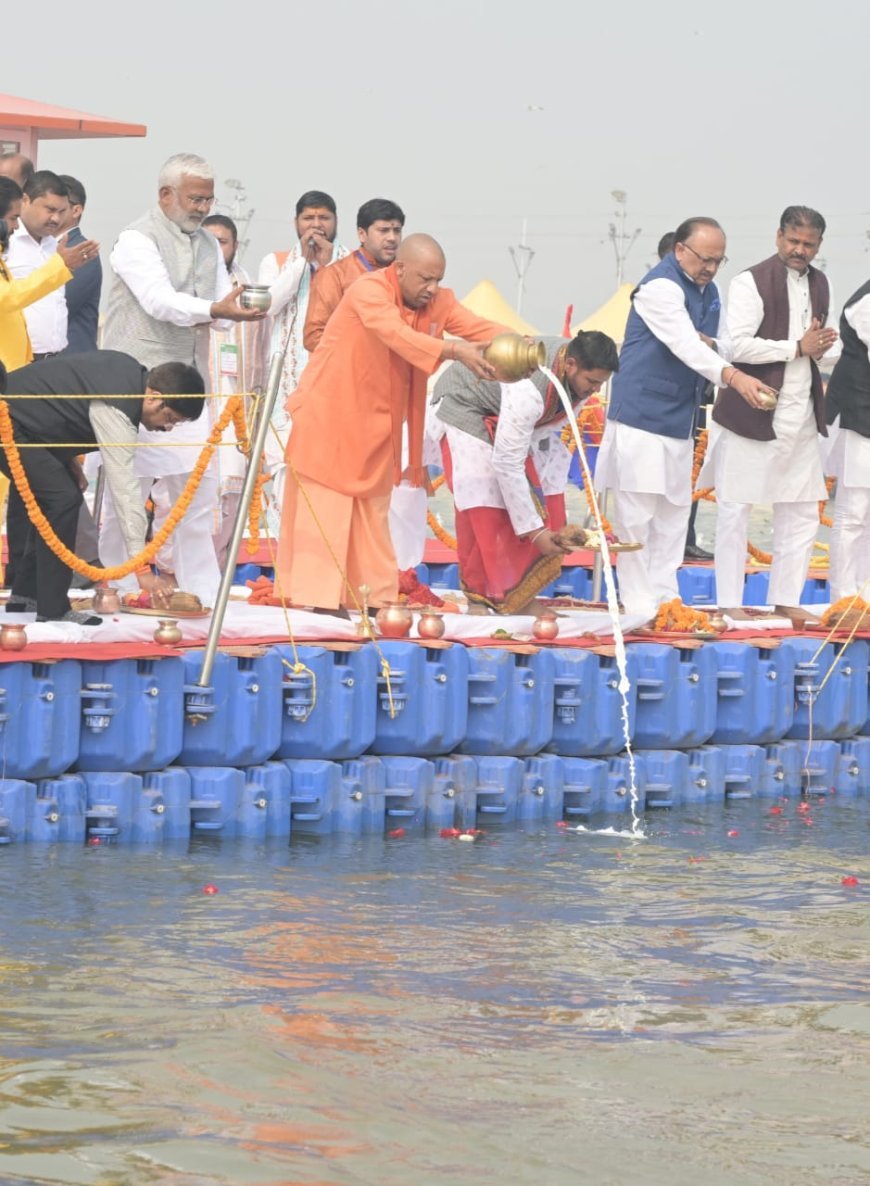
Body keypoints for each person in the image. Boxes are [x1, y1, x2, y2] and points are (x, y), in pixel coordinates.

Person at [275, 233, 509, 613]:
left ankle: (370, 594)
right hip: (332, 414)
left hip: (379, 423)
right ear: (399, 269)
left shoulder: (439, 301)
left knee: (372, 513)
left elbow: (481, 328)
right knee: (328, 510)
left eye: (438, 279)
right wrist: (452, 350)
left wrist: (531, 346)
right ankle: (321, 599)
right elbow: (395, 334)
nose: (433, 289)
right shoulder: (368, 292)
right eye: (425, 279)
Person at [100, 153, 263, 604]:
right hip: (135, 388)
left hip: (188, 389)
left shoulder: (209, 245)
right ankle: (119, 584)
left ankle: (202, 589)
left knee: (198, 494)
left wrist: (236, 311)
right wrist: (216, 310)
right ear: (165, 195)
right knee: (124, 497)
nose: (202, 207)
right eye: (195, 198)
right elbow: (158, 301)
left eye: (208, 199)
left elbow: (218, 314)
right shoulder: (136, 239)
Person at [595, 216, 769, 618]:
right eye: (704, 258)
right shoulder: (660, 288)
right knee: (637, 516)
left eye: (718, 260)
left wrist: (719, 347)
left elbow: (721, 342)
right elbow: (684, 345)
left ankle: (666, 597)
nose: (709, 267)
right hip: (641, 417)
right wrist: (733, 377)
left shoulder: (710, 293)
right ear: (679, 250)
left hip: (681, 419)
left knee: (674, 514)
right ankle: (639, 603)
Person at [0, 351, 204, 625]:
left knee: (51, 495)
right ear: (154, 397)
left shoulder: (126, 373)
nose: (166, 428)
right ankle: (53, 608)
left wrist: (69, 463)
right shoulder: (118, 405)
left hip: (22, 423)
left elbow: (56, 407)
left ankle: (27, 595)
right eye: (169, 418)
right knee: (63, 499)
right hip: (8, 421)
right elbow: (124, 489)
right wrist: (141, 569)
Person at [703, 207, 839, 613]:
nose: (799, 250)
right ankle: (729, 601)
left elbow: (811, 348)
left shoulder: (821, 283)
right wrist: (797, 347)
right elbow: (735, 345)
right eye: (793, 241)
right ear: (778, 236)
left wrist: (821, 349)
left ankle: (785, 600)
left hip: (801, 413)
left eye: (808, 245)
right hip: (752, 411)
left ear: (818, 245)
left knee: (800, 511)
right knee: (734, 508)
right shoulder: (749, 282)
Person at [432, 331, 619, 613]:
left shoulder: (574, 383)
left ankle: (520, 598)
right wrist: (534, 531)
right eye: (591, 382)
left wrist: (549, 524)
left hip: (513, 420)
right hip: (465, 405)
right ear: (570, 365)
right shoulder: (529, 390)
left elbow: (540, 438)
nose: (594, 391)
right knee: (486, 504)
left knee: (544, 485)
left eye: (601, 385)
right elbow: (507, 464)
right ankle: (479, 598)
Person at [257, 190, 350, 524]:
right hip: (285, 387)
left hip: (334, 387)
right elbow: (269, 306)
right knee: (282, 467)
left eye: (324, 218)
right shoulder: (276, 262)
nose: (316, 226)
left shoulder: (350, 264)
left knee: (329, 472)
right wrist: (301, 264)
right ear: (296, 223)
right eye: (308, 219)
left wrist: (327, 267)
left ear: (336, 222)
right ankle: (288, 562)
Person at [202, 213, 268, 568]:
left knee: (231, 488)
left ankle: (218, 567)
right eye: (207, 241)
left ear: (235, 246)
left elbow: (261, 354)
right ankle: (183, 573)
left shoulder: (251, 290)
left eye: (222, 242)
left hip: (236, 406)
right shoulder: (187, 286)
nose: (215, 248)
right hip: (198, 406)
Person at [0, 177, 93, 370]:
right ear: (26, 200)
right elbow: (9, 297)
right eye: (50, 210)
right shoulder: (9, 242)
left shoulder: (57, 245)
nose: (56, 219)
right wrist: (61, 268)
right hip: (12, 364)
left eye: (62, 212)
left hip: (52, 359)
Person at [303, 198, 405, 351]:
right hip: (352, 370)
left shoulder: (405, 274)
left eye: (397, 230)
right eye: (383, 230)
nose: (392, 238)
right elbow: (313, 337)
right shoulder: (335, 275)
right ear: (362, 234)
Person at [822, 282, 870, 602]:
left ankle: (863, 594)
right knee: (853, 512)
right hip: (858, 416)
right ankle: (843, 599)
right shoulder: (866, 302)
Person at [58, 175, 102, 352]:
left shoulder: (82, 252)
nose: (48, 214)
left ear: (76, 210)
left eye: (56, 207)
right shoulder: (43, 247)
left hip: (70, 363)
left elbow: (60, 305)